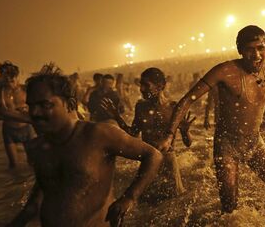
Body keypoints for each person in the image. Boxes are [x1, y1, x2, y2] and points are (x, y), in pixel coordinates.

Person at [164, 25, 265, 224]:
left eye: (261, 48)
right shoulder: (225, 71)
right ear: (240, 51)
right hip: (227, 146)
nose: (256, 55)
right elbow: (187, 99)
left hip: (255, 143)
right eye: (250, 49)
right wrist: (169, 134)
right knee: (230, 211)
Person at [9, 64, 163, 227]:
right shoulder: (39, 146)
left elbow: (153, 155)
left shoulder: (98, 134)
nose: (35, 113)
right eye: (31, 105)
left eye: (45, 105)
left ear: (69, 104)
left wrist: (129, 198)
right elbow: (38, 198)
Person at [102, 67, 191, 201]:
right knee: (145, 205)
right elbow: (133, 134)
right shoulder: (141, 107)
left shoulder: (174, 107)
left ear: (160, 86)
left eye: (146, 85)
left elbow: (188, 143)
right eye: (141, 85)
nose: (141, 89)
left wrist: (185, 132)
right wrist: (116, 116)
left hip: (168, 164)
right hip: (148, 162)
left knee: (172, 203)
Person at [0, 61, 34, 168]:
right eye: (5, 76)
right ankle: (13, 183)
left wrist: (25, 112)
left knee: (32, 162)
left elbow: (36, 108)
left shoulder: (25, 89)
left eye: (11, 76)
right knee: (13, 164)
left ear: (16, 76)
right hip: (9, 131)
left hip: (26, 129)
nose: (9, 80)